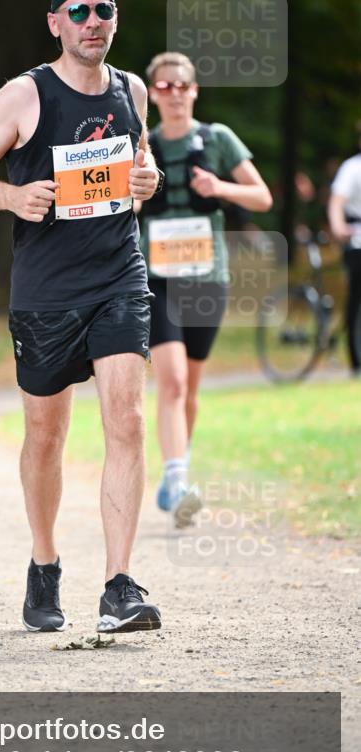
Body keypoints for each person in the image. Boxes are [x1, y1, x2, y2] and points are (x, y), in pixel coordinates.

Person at [0, 0, 164, 634]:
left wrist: (146, 180)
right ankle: (44, 562)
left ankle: (119, 586)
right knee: (45, 437)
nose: (92, 19)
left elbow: (137, 168)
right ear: (55, 22)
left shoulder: (132, 90)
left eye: (103, 8)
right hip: (45, 288)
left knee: (126, 419)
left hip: (118, 277)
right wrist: (14, 196)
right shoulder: (24, 94)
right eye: (78, 10)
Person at [138, 52, 272, 525]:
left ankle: (175, 473)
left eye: (181, 86)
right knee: (170, 380)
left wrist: (220, 188)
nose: (173, 94)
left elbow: (261, 195)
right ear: (152, 94)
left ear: (194, 90)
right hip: (157, 279)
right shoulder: (142, 146)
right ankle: (178, 486)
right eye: (164, 87)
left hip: (207, 278)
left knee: (189, 388)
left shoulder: (217, 139)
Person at [327, 130, 361, 376]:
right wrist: (338, 227)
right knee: (357, 298)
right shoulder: (352, 168)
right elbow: (336, 201)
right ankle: (357, 360)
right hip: (357, 237)